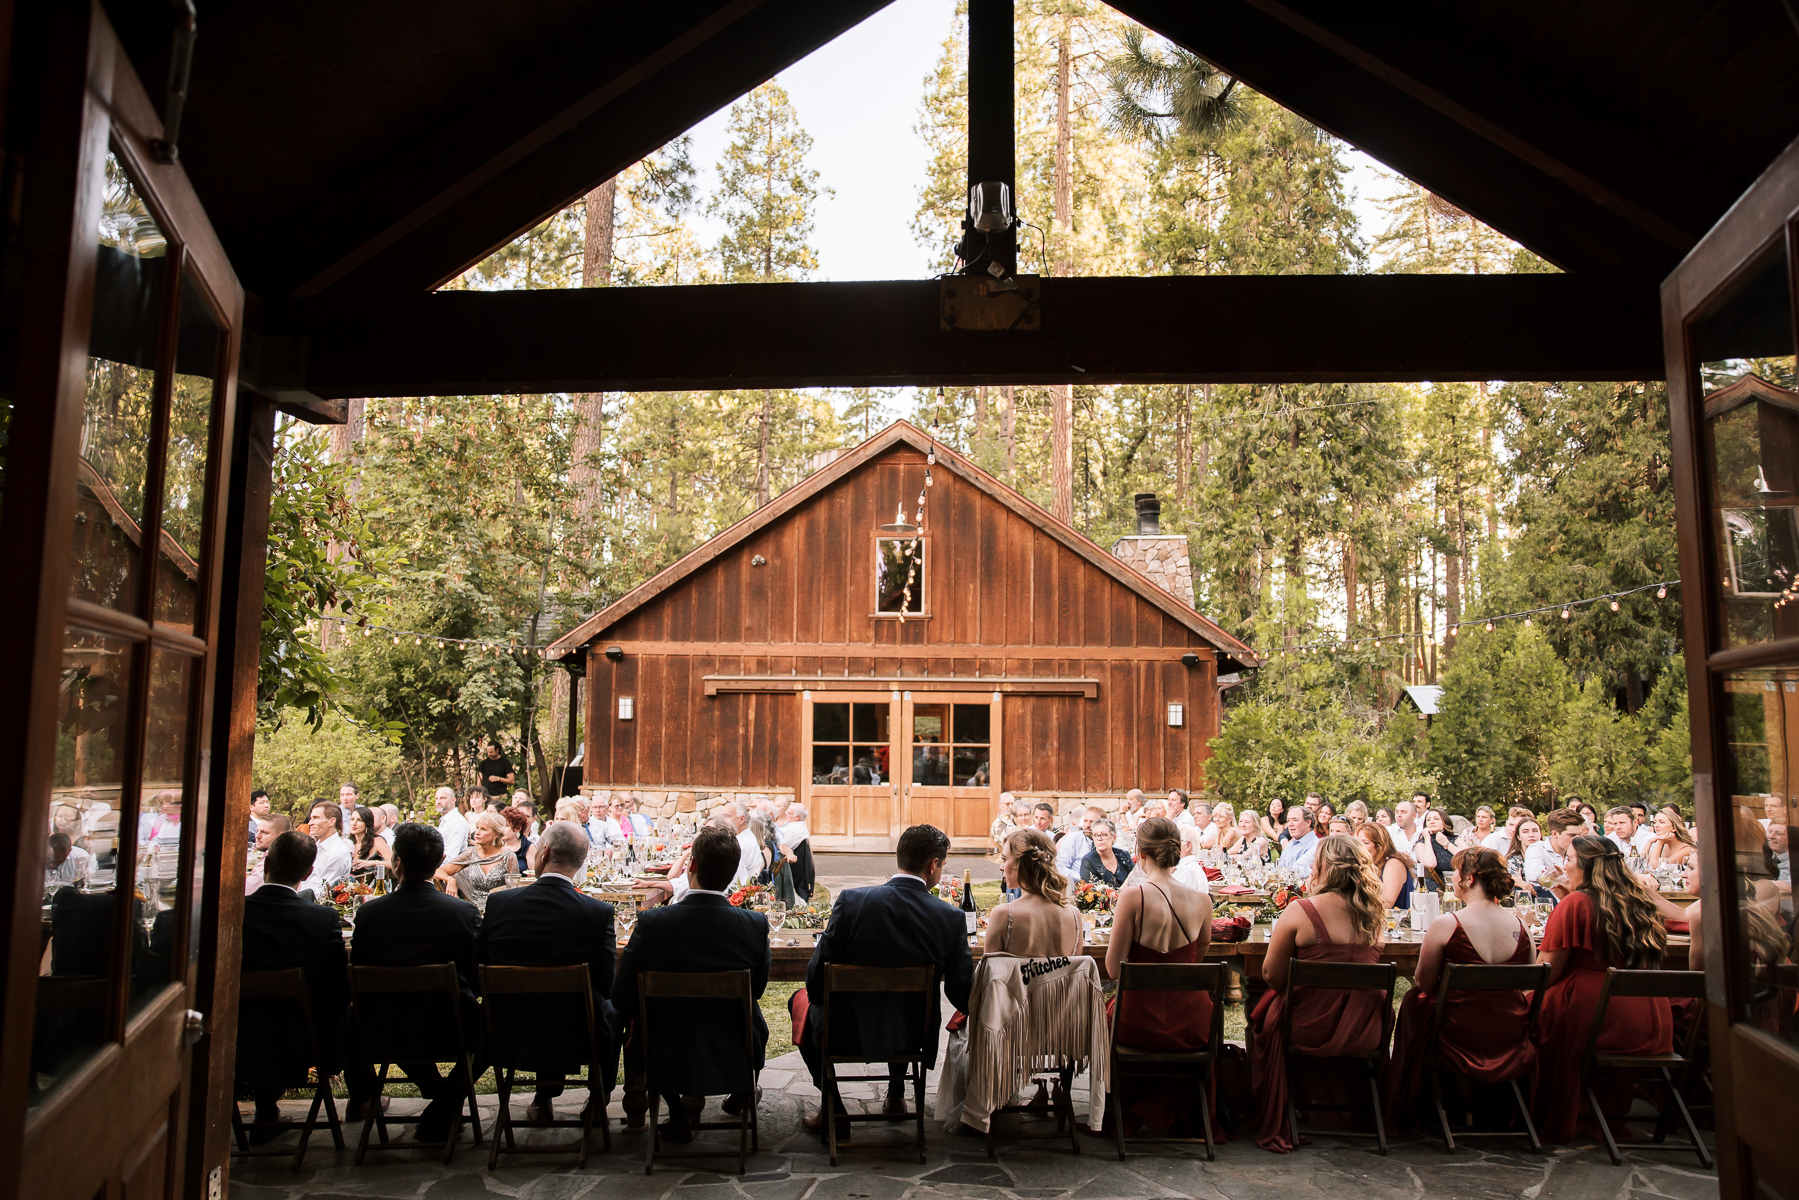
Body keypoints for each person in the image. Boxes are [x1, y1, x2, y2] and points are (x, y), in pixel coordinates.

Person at [793, 824, 974, 1139]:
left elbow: (815, 979)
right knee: (898, 1008)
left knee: (799, 1001)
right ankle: (895, 1094)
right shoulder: (950, 918)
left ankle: (833, 1106)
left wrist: (821, 996)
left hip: (844, 1032)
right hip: (912, 1035)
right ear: (933, 865)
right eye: (942, 866)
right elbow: (961, 993)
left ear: (899, 856)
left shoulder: (852, 902)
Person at [614, 824, 772, 1142]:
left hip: (663, 1047)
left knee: (643, 1021)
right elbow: (755, 989)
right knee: (751, 1014)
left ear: (692, 865)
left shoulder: (653, 923)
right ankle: (742, 1086)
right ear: (731, 872)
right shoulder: (753, 925)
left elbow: (623, 995)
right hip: (732, 1044)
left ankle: (674, 1110)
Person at [1250, 835, 1390, 1152]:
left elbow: (1271, 975)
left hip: (1307, 1027)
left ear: (1322, 868)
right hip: (1364, 1029)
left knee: (1263, 1012)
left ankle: (1274, 1102)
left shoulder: (1302, 911)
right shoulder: (1375, 917)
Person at [1532, 835, 1673, 1144]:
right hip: (1648, 1016)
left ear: (1587, 866)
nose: (1563, 865)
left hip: (1597, 1014)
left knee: (1526, 1013)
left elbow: (1547, 971)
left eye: (1568, 859)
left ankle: (1528, 1109)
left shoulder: (1577, 903)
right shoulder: (1639, 899)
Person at [476, 821, 618, 1125]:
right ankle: (598, 1098)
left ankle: (544, 1098)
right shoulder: (596, 914)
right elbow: (607, 985)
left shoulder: (500, 904)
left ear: (544, 852)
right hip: (578, 1034)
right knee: (607, 1009)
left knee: (544, 999)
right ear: (580, 863)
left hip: (507, 1029)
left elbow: (480, 966)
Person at [1385, 848, 1537, 1128]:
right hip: (1508, 1033)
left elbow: (1424, 983)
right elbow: (1528, 985)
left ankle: (1426, 1101)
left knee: (1412, 1000)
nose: (1452, 878)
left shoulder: (1446, 924)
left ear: (1468, 878)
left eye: (1455, 872)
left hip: (1457, 1031)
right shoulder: (1521, 927)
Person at [351, 823, 482, 1143]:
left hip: (382, 1029)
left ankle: (440, 1098)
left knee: (382, 1015)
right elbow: (479, 979)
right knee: (498, 1021)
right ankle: (444, 1101)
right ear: (437, 866)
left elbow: (357, 973)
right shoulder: (462, 912)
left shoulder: (369, 914)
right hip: (452, 1027)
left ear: (396, 863)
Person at [240, 831, 377, 1133]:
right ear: (309, 872)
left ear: (266, 864)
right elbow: (340, 989)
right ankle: (362, 1098)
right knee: (355, 1014)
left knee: (262, 1013)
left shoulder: (235, 913)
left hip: (240, 1039)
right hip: (308, 1043)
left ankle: (265, 1111)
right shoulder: (321, 919)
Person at [1103, 816, 1214, 1135]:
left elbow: (1113, 968)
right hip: (1191, 1021)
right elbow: (1199, 953)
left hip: (1139, 1022)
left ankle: (1124, 1107)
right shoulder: (1202, 901)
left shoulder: (1133, 897)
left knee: (1102, 1015)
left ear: (1139, 853)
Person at [437, 810, 513, 911]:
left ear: (495, 834)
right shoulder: (470, 853)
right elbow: (437, 871)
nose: (477, 832)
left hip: (499, 910)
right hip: (471, 911)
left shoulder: (508, 856)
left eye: (483, 829)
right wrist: (450, 879)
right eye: (477, 828)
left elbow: (514, 889)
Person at [298, 799, 353, 900]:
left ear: (331, 821)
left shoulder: (337, 852)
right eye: (311, 818)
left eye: (315, 818)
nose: (310, 823)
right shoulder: (317, 846)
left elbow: (322, 893)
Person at [1356, 820, 1414, 910]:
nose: (1359, 847)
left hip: (1395, 921)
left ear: (1380, 846)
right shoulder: (1366, 865)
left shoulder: (1393, 863)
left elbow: (1387, 902)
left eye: (1365, 843)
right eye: (1357, 842)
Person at [1524, 807, 1582, 891]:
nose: (1577, 839)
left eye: (1579, 834)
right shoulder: (1537, 848)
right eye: (1572, 835)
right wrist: (1560, 872)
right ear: (1555, 834)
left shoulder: (1580, 851)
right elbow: (1533, 873)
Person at [245, 815, 290, 895]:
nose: (257, 836)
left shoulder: (274, 860)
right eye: (257, 831)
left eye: (264, 832)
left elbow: (245, 890)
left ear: (280, 836)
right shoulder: (282, 854)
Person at [1080, 820, 1132, 888]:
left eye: (1104, 835)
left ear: (1113, 837)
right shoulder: (1088, 861)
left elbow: (1135, 879)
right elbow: (1097, 894)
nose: (1099, 838)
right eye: (1095, 835)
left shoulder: (1123, 855)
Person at [1645, 805, 1698, 870]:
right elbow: (1643, 864)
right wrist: (1649, 842)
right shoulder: (1664, 844)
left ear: (1674, 827)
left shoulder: (1687, 850)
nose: (1656, 825)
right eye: (1655, 822)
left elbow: (1655, 869)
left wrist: (1659, 842)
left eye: (1662, 822)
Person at [1418, 809, 1457, 891]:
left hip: (1457, 886)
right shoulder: (1421, 844)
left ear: (1444, 821)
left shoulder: (1454, 839)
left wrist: (1447, 843)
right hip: (1435, 890)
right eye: (1428, 820)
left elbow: (1468, 858)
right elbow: (1430, 864)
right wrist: (1427, 838)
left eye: (1436, 819)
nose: (1432, 822)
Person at [1056, 806, 1100, 877]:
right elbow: (1060, 868)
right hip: (1076, 883)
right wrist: (1084, 879)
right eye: (1085, 821)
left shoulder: (1107, 842)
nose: (1087, 825)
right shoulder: (1073, 839)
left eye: (1091, 822)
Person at [348, 805, 391, 873]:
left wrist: (373, 863)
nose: (354, 823)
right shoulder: (348, 842)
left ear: (367, 823)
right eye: (352, 819)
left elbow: (394, 863)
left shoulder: (377, 841)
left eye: (359, 820)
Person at [1277, 806, 1319, 873]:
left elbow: (1301, 874)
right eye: (1288, 820)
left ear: (1308, 822)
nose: (1290, 824)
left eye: (1295, 820)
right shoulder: (1290, 845)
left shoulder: (1316, 846)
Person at [435, 785, 470, 859]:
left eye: (443, 798)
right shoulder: (446, 820)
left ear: (453, 800)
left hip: (449, 868)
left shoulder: (457, 821)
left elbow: (451, 856)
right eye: (437, 798)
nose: (438, 801)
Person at [499, 805, 532, 872]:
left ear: (518, 828)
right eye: (501, 825)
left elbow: (533, 873)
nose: (502, 829)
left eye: (507, 826)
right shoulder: (497, 845)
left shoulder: (528, 846)